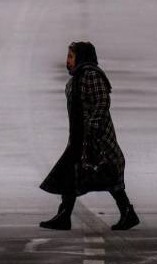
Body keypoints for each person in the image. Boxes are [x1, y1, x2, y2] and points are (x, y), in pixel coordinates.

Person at [39, 41, 139, 231]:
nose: (67, 61)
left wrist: (92, 128)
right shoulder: (77, 77)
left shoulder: (90, 75)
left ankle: (127, 212)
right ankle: (64, 215)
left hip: (96, 138)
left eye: (71, 57)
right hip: (79, 138)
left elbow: (102, 101)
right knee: (71, 175)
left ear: (81, 57)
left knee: (108, 174)